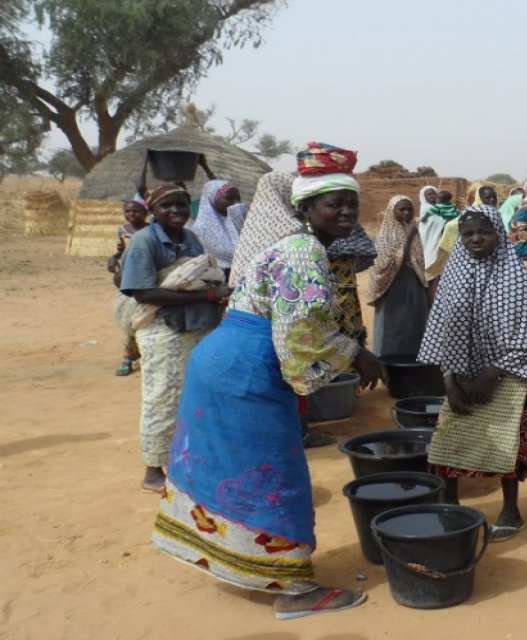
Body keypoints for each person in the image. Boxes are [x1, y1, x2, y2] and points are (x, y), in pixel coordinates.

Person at [153, 142, 381, 619]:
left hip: (222, 363)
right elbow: (302, 338)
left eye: (351, 203)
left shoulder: (290, 246)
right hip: (246, 371)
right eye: (332, 203)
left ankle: (232, 558)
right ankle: (295, 591)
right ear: (304, 207)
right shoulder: (302, 255)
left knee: (228, 465)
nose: (344, 211)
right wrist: (358, 355)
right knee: (276, 473)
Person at [418, 204, 527, 541]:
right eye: (468, 233)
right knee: (448, 443)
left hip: (507, 375)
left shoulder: (514, 274)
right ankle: (451, 506)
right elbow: (441, 330)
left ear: (497, 234)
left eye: (484, 232)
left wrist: (491, 374)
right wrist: (450, 380)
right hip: (460, 377)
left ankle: (510, 510)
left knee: (507, 445)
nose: (476, 238)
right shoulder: (453, 275)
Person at [119, 183, 228, 492]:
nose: (176, 211)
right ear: (152, 211)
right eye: (167, 206)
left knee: (193, 394)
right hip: (162, 329)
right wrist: (208, 294)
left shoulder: (190, 238)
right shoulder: (144, 241)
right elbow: (141, 291)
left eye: (181, 205)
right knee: (162, 397)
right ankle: (153, 470)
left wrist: (210, 293)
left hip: (194, 325)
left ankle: (187, 458)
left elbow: (198, 274)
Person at [367, 195, 429, 357]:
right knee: (393, 326)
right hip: (392, 287)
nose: (406, 213)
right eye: (401, 209)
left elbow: (419, 260)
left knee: (414, 324)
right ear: (392, 211)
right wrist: (408, 238)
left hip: (413, 285)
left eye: (409, 209)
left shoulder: (413, 231)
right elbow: (383, 265)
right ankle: (389, 362)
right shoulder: (386, 235)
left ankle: (413, 360)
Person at [108, 198, 148, 376]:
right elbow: (121, 250)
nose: (131, 214)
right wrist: (113, 258)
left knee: (145, 316)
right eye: (128, 211)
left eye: (136, 211)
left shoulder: (151, 229)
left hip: (145, 275)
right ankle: (128, 356)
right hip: (127, 277)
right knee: (129, 317)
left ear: (145, 213)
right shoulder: (122, 230)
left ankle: (142, 353)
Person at [326, 211, 377, 345]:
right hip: (321, 287)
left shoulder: (349, 222)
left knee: (350, 329)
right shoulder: (313, 225)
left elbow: (368, 249)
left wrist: (340, 248)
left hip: (346, 286)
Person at [190, 179, 245, 278]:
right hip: (219, 277)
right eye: (229, 198)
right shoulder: (203, 227)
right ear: (212, 199)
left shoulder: (233, 220)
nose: (237, 203)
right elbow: (233, 253)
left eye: (238, 198)